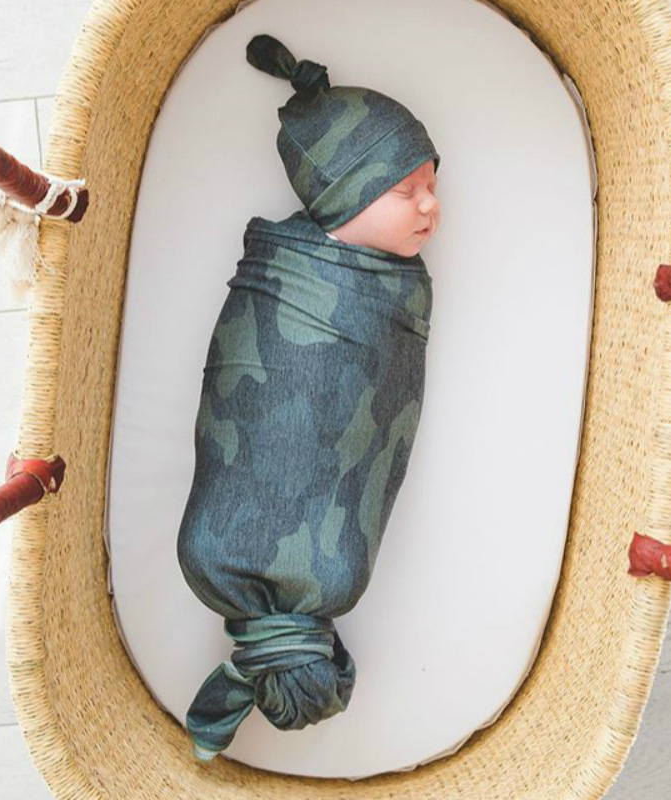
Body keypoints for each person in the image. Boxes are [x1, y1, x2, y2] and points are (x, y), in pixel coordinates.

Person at [176, 33, 441, 762]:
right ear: (341, 197)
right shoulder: (288, 271)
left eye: (431, 186)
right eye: (406, 191)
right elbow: (246, 379)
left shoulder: (393, 286)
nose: (429, 206)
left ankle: (281, 637)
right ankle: (280, 633)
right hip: (245, 538)